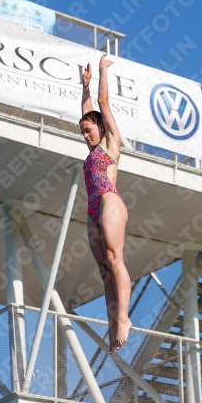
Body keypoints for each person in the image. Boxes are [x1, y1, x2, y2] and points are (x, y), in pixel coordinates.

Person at [80, 54, 132, 354]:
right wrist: (83, 86)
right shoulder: (91, 148)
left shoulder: (111, 143)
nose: (86, 136)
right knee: (103, 270)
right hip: (92, 209)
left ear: (102, 129)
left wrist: (100, 72)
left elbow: (102, 104)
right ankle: (113, 326)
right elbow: (88, 110)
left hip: (110, 201)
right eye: (83, 132)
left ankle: (124, 318)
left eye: (89, 131)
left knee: (115, 259)